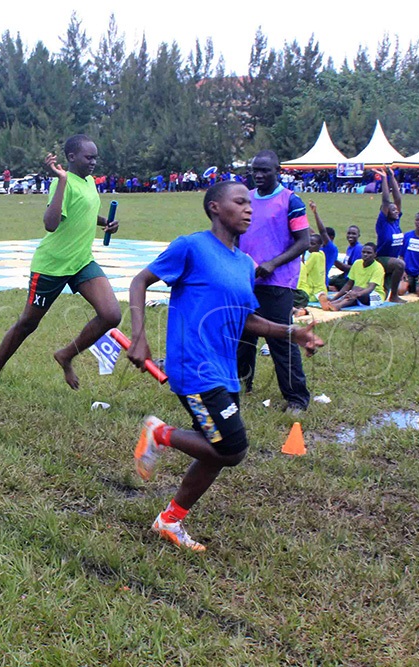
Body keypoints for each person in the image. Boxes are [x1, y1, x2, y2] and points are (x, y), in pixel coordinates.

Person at [128, 181, 324, 552]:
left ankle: (169, 521)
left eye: (250, 203)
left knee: (216, 448)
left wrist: (291, 332)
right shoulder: (192, 247)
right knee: (232, 448)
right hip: (194, 366)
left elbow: (246, 318)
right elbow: (141, 281)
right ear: (215, 207)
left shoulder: (243, 265)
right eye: (240, 202)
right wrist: (139, 334)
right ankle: (160, 433)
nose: (249, 209)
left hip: (224, 368)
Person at [0, 134, 120, 403]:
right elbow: (50, 224)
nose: (93, 162)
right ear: (71, 158)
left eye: (95, 157)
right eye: (88, 157)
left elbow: (85, 212)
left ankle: (66, 354)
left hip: (81, 262)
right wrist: (62, 181)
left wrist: (105, 222)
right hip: (52, 266)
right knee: (27, 324)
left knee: (111, 314)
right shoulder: (63, 184)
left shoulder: (90, 182)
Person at [235, 150, 312, 412]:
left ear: (278, 170)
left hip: (278, 282)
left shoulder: (291, 201)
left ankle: (297, 398)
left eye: (265, 170)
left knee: (281, 340)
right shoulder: (246, 198)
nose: (258, 174)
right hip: (247, 280)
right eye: (255, 169)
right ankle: (241, 384)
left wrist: (273, 264)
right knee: (244, 336)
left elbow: (303, 241)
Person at [372, 166, 406, 302]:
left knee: (379, 297)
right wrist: (384, 179)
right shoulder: (383, 223)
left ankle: (389, 294)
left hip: (391, 264)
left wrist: (392, 176)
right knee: (400, 264)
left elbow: (398, 199)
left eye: (396, 210)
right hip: (382, 260)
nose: (396, 211)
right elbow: (386, 200)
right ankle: (395, 296)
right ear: (386, 212)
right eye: (392, 210)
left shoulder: (396, 222)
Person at [319, 242, 385, 311]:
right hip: (356, 293)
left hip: (374, 295)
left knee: (355, 292)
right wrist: (335, 297)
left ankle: (336, 305)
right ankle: (332, 303)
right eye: (363, 252)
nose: (365, 254)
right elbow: (348, 284)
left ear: (375, 254)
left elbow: (370, 288)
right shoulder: (357, 263)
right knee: (352, 293)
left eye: (369, 253)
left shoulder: (378, 268)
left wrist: (356, 294)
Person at [293, 233, 326, 314]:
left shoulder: (313, 256)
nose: (310, 246)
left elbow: (305, 269)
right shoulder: (321, 254)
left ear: (320, 245)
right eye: (309, 243)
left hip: (311, 290)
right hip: (321, 288)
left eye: (313, 244)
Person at [329, 225, 362, 290]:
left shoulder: (358, 248)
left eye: (354, 234)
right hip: (344, 276)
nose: (350, 236)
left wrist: (333, 259)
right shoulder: (349, 248)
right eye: (349, 233)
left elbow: (353, 268)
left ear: (358, 235)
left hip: (349, 280)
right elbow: (344, 267)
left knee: (326, 285)